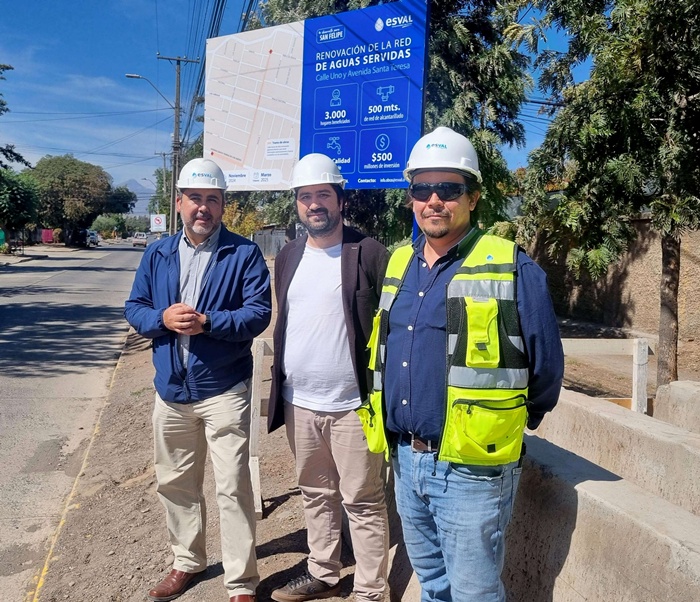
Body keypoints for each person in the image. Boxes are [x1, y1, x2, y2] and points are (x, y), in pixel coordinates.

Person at [360, 127, 565, 602]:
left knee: (474, 593)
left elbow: (547, 368)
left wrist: (512, 418)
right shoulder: (398, 263)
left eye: (449, 189)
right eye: (422, 189)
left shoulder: (510, 265)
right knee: (432, 585)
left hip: (473, 471)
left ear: (472, 198)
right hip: (406, 460)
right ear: (411, 198)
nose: (434, 200)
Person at [124, 158, 271, 602]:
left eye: (212, 199)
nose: (203, 208)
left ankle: (241, 583)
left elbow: (257, 314)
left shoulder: (243, 254)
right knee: (175, 483)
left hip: (223, 389)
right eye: (195, 199)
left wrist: (208, 322)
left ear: (223, 205)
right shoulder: (158, 253)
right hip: (171, 392)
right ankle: (187, 561)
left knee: (233, 487)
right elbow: (135, 308)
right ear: (179, 202)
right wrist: (162, 319)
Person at [267, 153, 390, 602]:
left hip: (353, 405)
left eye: (323, 194)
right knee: (316, 492)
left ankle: (370, 591)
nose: (314, 204)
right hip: (299, 402)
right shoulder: (288, 255)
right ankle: (323, 572)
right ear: (297, 204)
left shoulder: (369, 252)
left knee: (363, 499)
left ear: (341, 200)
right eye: (305, 196)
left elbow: (390, 324)